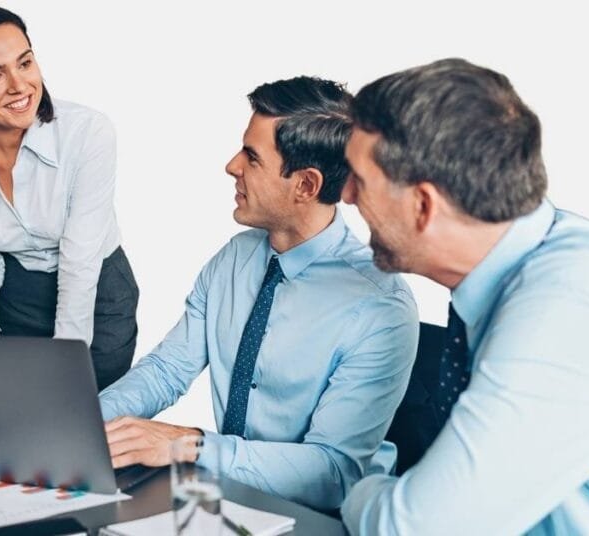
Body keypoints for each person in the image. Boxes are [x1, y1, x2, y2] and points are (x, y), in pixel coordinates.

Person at [98, 77, 419, 511]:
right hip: (233, 496)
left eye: (252, 157)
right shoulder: (235, 258)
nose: (232, 166)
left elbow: (334, 474)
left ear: (305, 185)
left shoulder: (379, 307)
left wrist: (191, 445)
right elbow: (166, 370)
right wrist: (84, 426)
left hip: (322, 516)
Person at [339, 58, 589, 535]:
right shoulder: (531, 267)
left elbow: (414, 528)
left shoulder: (567, 309)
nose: (344, 196)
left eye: (359, 180)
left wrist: (361, 487)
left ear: (423, 206)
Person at [0, 2, 137, 390]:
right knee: (9, 416)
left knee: (82, 419)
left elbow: (80, 259)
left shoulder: (88, 134)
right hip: (17, 294)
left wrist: (66, 360)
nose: (20, 86)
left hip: (97, 291)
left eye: (25, 63)